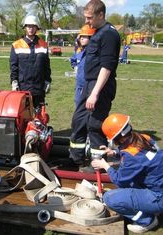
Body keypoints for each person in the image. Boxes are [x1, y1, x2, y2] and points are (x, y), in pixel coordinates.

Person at [69, 0, 121, 171]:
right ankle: (75, 158)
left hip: (100, 87)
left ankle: (97, 165)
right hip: (89, 85)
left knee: (95, 124)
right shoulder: (98, 32)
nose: (87, 21)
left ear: (101, 15)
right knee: (79, 120)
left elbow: (107, 67)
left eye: (90, 18)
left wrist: (95, 93)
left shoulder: (109, 34)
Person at [91, 113, 162, 233]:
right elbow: (136, 152)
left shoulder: (132, 157)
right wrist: (114, 152)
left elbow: (119, 179)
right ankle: (150, 207)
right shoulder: (143, 137)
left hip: (158, 196)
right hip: (158, 185)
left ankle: (147, 221)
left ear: (120, 137)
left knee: (110, 198)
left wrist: (105, 166)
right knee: (126, 185)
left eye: (112, 139)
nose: (112, 142)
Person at [10, 14, 51, 109]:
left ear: (37, 28)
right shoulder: (17, 45)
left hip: (39, 87)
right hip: (23, 86)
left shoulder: (43, 45)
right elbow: (13, 66)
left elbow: (46, 66)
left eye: (33, 26)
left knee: (40, 116)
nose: (31, 29)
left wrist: (48, 81)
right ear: (25, 27)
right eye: (28, 26)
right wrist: (14, 82)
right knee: (24, 117)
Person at [70, 25, 96, 106]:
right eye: (81, 36)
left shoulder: (93, 53)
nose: (81, 38)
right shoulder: (78, 51)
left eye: (84, 37)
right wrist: (75, 66)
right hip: (79, 85)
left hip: (89, 86)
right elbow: (73, 60)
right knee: (78, 105)